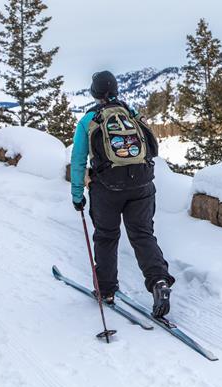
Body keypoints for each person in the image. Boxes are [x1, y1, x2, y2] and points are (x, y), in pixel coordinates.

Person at [70, 71, 175, 318]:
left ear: (94, 93)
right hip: (142, 185)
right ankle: (159, 281)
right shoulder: (131, 114)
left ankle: (106, 290)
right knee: (142, 234)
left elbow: (78, 161)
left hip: (107, 188)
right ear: (116, 90)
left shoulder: (89, 120)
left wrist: (77, 195)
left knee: (106, 237)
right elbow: (152, 146)